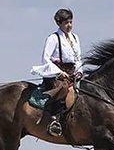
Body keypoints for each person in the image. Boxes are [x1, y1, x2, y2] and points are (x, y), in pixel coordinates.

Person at [30, 8, 83, 136]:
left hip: (72, 72)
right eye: (66, 23)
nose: (69, 25)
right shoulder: (53, 38)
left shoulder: (75, 37)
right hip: (55, 74)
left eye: (70, 22)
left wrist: (79, 71)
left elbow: (78, 58)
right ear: (59, 24)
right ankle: (54, 120)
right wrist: (59, 72)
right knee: (63, 89)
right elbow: (46, 59)